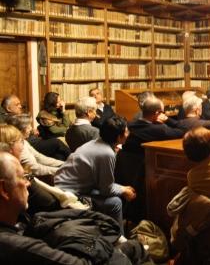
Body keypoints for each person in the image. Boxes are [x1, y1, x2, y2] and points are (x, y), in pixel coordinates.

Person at [0, 152, 146, 265]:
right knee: (135, 248)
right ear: (4, 190)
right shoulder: (16, 246)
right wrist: (101, 242)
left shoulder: (17, 221)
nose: (28, 183)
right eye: (23, 177)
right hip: (92, 253)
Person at [55, 116, 136, 234]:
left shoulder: (96, 142)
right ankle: (119, 240)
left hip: (63, 187)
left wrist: (121, 188)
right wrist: (123, 190)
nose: (128, 133)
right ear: (118, 137)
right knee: (115, 202)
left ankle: (107, 233)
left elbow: (102, 184)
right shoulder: (107, 153)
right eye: (126, 131)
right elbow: (106, 189)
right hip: (70, 195)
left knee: (116, 194)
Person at [115, 96, 187, 222]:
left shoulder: (129, 125)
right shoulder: (159, 130)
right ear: (157, 113)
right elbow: (184, 132)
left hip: (124, 171)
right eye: (162, 112)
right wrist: (168, 120)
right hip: (146, 176)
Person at [1, 94, 71, 160]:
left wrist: (63, 111)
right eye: (17, 104)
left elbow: (66, 124)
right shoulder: (8, 120)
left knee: (59, 155)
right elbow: (15, 133)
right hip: (31, 143)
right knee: (57, 142)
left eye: (20, 104)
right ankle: (76, 160)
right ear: (8, 108)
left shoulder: (16, 116)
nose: (20, 106)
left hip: (36, 139)